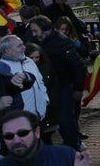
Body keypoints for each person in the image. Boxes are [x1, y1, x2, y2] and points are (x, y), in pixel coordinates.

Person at [29, 15, 87, 148]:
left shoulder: (61, 43)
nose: (33, 34)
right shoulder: (37, 42)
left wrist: (78, 88)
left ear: (45, 29)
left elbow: (77, 65)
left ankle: (73, 146)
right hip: (45, 88)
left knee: (65, 119)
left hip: (62, 86)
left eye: (35, 31)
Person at [0, 33, 49, 119]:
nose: (24, 47)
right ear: (7, 50)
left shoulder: (29, 61)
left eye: (23, 44)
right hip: (20, 118)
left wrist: (45, 100)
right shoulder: (1, 68)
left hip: (39, 116)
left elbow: (40, 81)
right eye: (19, 46)